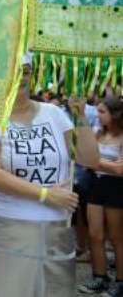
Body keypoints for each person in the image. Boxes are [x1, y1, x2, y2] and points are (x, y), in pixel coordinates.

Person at [0, 55, 99, 297]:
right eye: (11, 70)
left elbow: (88, 159)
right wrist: (45, 194)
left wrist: (80, 115)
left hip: (55, 226)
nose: (20, 77)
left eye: (25, 70)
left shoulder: (54, 113)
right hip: (5, 225)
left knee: (54, 292)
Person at [79, 96, 123, 295]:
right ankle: (100, 276)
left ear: (115, 115)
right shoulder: (97, 133)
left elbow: (121, 170)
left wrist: (95, 161)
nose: (98, 115)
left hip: (116, 187)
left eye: (102, 112)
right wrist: (106, 164)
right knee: (95, 235)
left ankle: (121, 281)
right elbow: (83, 157)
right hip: (96, 184)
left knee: (116, 237)